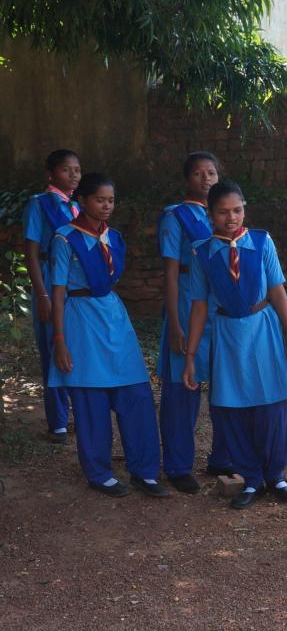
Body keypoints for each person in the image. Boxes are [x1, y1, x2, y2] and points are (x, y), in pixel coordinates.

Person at [182, 181, 287, 510]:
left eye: (237, 210)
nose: (231, 217)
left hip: (262, 329)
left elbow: (277, 290)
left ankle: (275, 475)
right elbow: (199, 306)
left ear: (244, 209)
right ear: (210, 215)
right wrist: (190, 357)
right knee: (231, 406)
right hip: (226, 335)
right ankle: (249, 478)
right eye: (223, 212)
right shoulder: (202, 252)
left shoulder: (262, 242)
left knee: (272, 400)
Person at [47, 173, 164, 498]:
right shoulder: (64, 239)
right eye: (100, 200)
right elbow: (57, 292)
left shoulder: (114, 238)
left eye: (111, 200)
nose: (106, 206)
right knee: (90, 398)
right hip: (81, 319)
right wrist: (59, 339)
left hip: (113, 316)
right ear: (82, 200)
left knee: (136, 394)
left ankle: (144, 470)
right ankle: (99, 472)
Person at [157, 152, 233, 493]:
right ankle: (177, 465)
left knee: (224, 387)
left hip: (221, 310)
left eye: (212, 173)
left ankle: (223, 457)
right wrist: (174, 323)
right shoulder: (175, 217)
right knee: (182, 390)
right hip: (187, 305)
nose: (206, 178)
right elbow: (171, 273)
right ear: (187, 178)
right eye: (199, 173)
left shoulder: (223, 215)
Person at [22, 149, 80, 443]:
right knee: (51, 345)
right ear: (51, 174)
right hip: (48, 277)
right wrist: (41, 294)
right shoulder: (39, 204)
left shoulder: (77, 207)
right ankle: (57, 421)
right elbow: (31, 253)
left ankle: (77, 414)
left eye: (77, 170)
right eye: (65, 169)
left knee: (74, 345)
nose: (73, 175)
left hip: (73, 282)